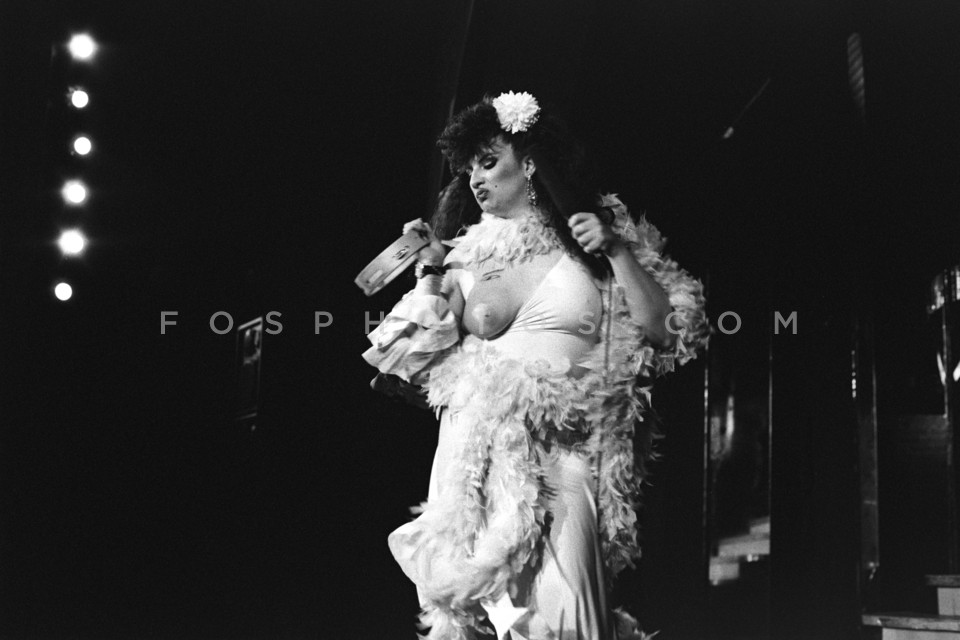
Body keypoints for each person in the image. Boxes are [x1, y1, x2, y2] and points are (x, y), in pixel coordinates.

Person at [363, 91, 708, 640]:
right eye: (468, 169)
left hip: (568, 449)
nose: (475, 179)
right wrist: (429, 272)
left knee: (570, 618)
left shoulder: (592, 234)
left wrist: (616, 250)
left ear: (528, 163)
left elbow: (667, 331)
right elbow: (410, 361)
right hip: (479, 455)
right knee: (485, 618)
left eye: (488, 161)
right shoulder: (464, 256)